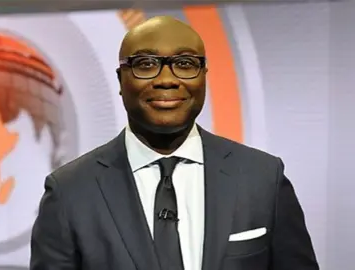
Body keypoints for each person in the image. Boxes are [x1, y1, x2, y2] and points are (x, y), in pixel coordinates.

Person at [30, 16, 319, 270]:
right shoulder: (69, 192)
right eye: (145, 64)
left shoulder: (263, 179)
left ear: (204, 77)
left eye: (184, 64)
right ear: (121, 81)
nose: (166, 80)